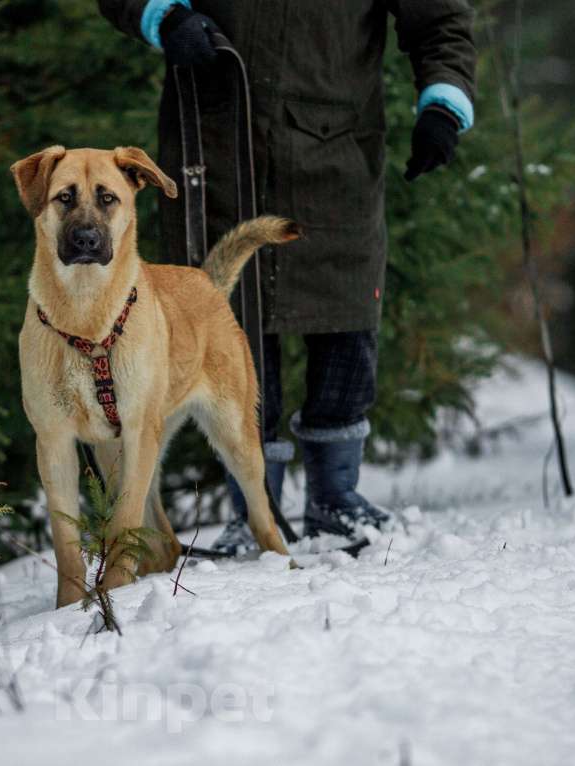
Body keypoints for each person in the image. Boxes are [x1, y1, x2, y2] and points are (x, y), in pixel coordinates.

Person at [98, 0, 476, 553]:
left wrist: (442, 104)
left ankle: (336, 499)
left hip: (336, 154)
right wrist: (165, 16)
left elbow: (441, 20)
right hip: (214, 150)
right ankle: (255, 509)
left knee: (346, 319)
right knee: (231, 324)